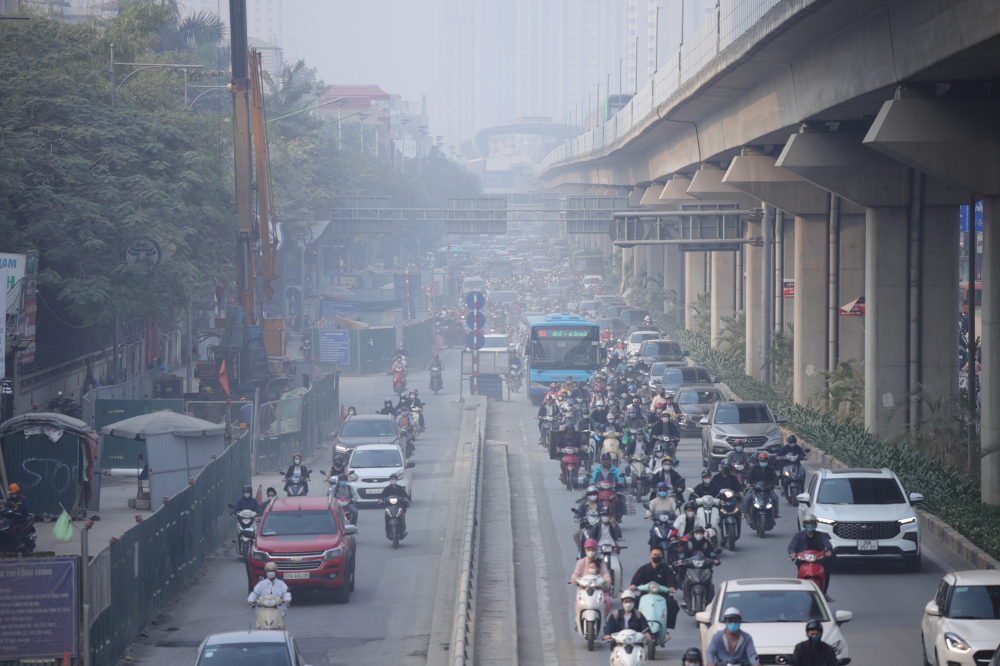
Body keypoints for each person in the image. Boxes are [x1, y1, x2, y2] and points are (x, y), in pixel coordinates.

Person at [629, 546, 682, 636]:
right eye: (654, 555)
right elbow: (636, 580)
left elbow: (672, 581)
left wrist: (672, 587)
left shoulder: (666, 569)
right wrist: (634, 585)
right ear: (650, 556)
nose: (656, 556)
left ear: (662, 556)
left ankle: (665, 628)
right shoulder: (644, 568)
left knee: (673, 606)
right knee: (633, 605)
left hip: (662, 595)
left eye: (659, 555)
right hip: (645, 594)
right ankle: (635, 627)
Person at [787, 514, 835, 602]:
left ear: (815, 524)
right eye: (808, 523)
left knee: (826, 572)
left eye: (812, 523)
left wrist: (828, 550)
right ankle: (800, 592)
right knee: (800, 574)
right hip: (803, 561)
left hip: (818, 561)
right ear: (804, 524)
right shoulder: (798, 535)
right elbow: (791, 547)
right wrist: (792, 553)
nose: (810, 525)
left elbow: (827, 544)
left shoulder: (821, 535)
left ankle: (824, 593)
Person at [743, 451, 781, 518]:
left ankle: (775, 514)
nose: (763, 462)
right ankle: (747, 514)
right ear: (758, 461)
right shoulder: (753, 469)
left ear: (767, 461)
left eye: (765, 461)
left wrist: (776, 485)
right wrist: (748, 483)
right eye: (762, 461)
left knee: (775, 498)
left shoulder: (771, 469)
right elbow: (749, 477)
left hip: (767, 488)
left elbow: (775, 478)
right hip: (755, 488)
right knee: (747, 498)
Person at [573, 485, 602, 554]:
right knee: (575, 534)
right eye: (590, 494)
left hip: (599, 528)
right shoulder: (584, 505)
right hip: (586, 527)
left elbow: (606, 514)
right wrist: (576, 518)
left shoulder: (601, 505)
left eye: (594, 494)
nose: (592, 496)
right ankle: (581, 550)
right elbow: (579, 513)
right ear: (588, 495)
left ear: (597, 495)